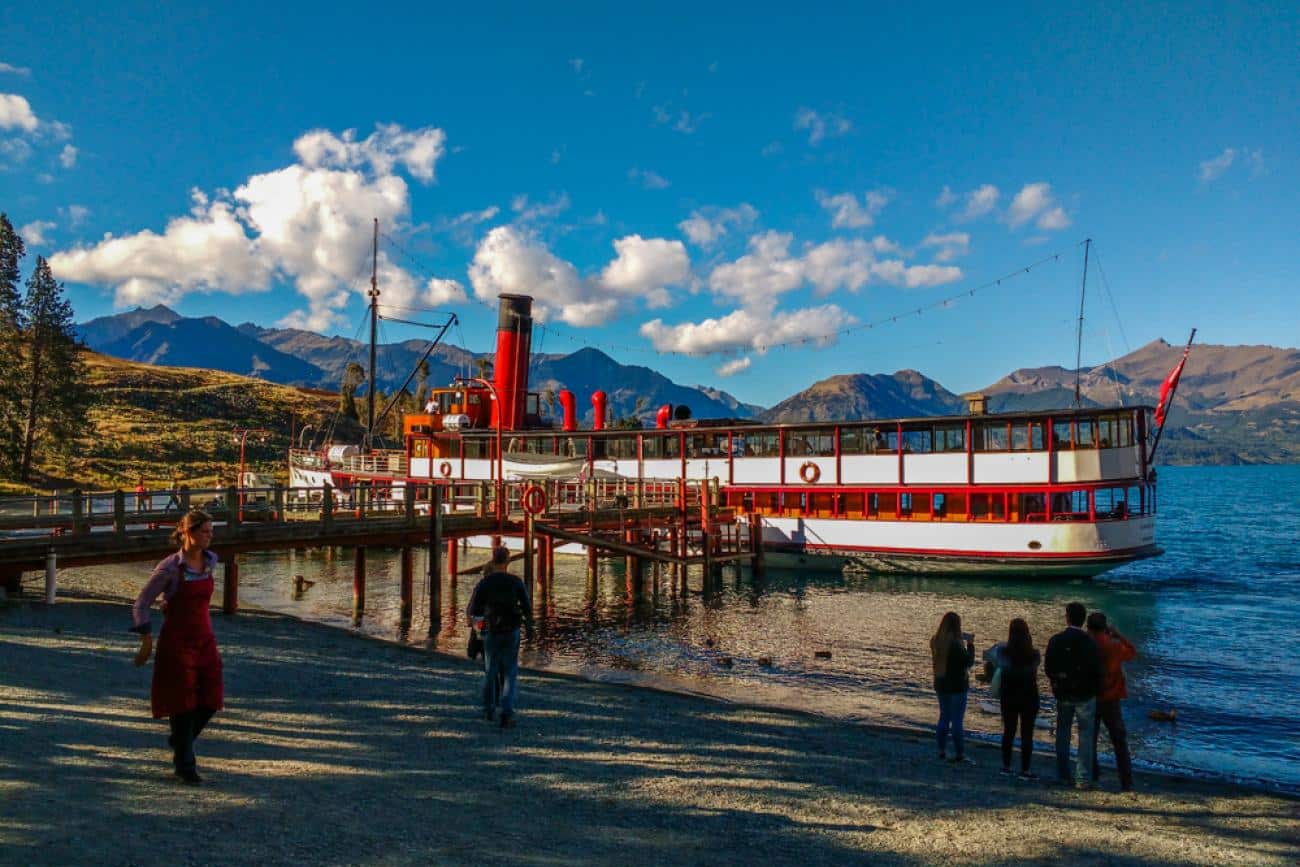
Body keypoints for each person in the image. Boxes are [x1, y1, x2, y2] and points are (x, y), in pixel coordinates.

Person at [129, 509, 223, 784]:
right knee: (182, 702)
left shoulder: (211, 561)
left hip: (205, 638)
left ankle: (179, 741)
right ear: (188, 532)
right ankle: (186, 766)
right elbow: (141, 602)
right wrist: (145, 636)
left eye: (211, 532)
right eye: (205, 531)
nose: (209, 537)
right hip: (177, 641)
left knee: (211, 698)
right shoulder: (170, 567)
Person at [466, 546, 534, 728]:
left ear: (493, 559)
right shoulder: (515, 581)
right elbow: (527, 607)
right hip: (511, 628)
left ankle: (488, 709)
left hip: (490, 630)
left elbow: (474, 611)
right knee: (510, 671)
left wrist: (478, 631)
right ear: (508, 560)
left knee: (490, 670)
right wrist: (529, 626)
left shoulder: (485, 583)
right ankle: (507, 711)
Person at [1045, 601, 1102, 787]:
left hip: (1064, 692)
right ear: (1083, 620)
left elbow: (1048, 667)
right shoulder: (1090, 643)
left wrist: (1058, 681)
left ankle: (1063, 774)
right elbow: (1096, 670)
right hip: (1085, 694)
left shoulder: (1056, 640)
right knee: (1085, 736)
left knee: (1063, 733)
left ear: (1067, 618)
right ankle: (1082, 777)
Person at [1088, 612, 1137, 791]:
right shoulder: (1114, 646)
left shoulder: (1088, 645)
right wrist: (1118, 635)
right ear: (1105, 627)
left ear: (1089, 627)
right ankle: (1126, 781)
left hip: (1091, 698)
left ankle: (1093, 776)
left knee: (1090, 739)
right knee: (1119, 742)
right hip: (1111, 698)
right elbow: (1132, 651)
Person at [996, 618, 1042, 780]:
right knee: (1027, 734)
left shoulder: (1003, 652)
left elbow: (1000, 666)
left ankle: (1006, 766)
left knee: (1008, 731)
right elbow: (1031, 670)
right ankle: (1025, 769)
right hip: (1029, 697)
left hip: (1008, 696)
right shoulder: (1034, 655)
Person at [930, 612, 975, 764]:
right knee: (956, 721)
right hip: (957, 685)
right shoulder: (956, 644)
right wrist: (970, 644)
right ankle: (959, 754)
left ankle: (941, 750)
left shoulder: (935, 640)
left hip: (940, 683)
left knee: (943, 717)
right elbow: (968, 662)